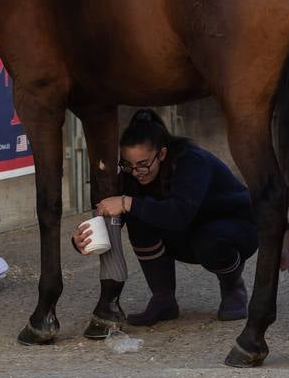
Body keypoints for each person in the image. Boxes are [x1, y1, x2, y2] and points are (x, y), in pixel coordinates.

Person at [73, 109, 257, 325]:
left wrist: (126, 202)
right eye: (128, 164)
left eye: (142, 164)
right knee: (138, 217)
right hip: (188, 232)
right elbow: (116, 218)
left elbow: (180, 215)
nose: (136, 172)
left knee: (206, 239)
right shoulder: (132, 172)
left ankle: (232, 285)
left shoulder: (192, 161)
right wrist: (84, 237)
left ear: (162, 154)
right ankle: (163, 299)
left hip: (236, 228)